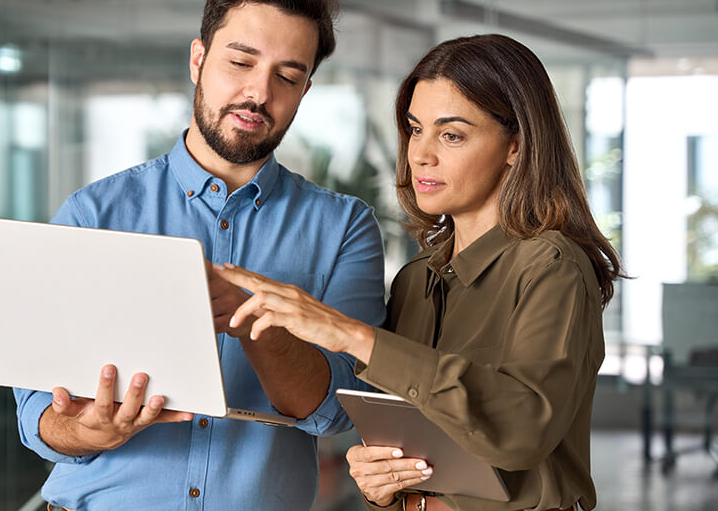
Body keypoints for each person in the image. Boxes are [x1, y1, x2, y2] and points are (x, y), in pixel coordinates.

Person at [13, 0, 387, 511]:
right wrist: (87, 431)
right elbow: (35, 415)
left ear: (305, 90)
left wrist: (251, 314)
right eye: (240, 62)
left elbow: (334, 411)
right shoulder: (93, 214)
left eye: (287, 77)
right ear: (198, 59)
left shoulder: (343, 227)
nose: (258, 93)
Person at [215, 33, 624, 511]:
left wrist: (351, 335)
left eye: (451, 135)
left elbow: (522, 430)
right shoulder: (415, 281)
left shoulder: (551, 267)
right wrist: (382, 485)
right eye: (415, 129)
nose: (421, 154)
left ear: (515, 145)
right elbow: (414, 445)